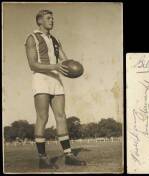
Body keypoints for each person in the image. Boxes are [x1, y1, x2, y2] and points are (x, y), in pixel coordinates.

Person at [25, 9, 86, 169]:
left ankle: (68, 155)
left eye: (52, 18)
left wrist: (73, 67)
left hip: (56, 79)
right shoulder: (32, 38)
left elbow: (65, 60)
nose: (52, 21)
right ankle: (42, 158)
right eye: (48, 18)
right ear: (39, 21)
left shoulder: (55, 40)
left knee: (61, 116)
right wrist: (55, 66)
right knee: (42, 117)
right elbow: (32, 64)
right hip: (41, 78)